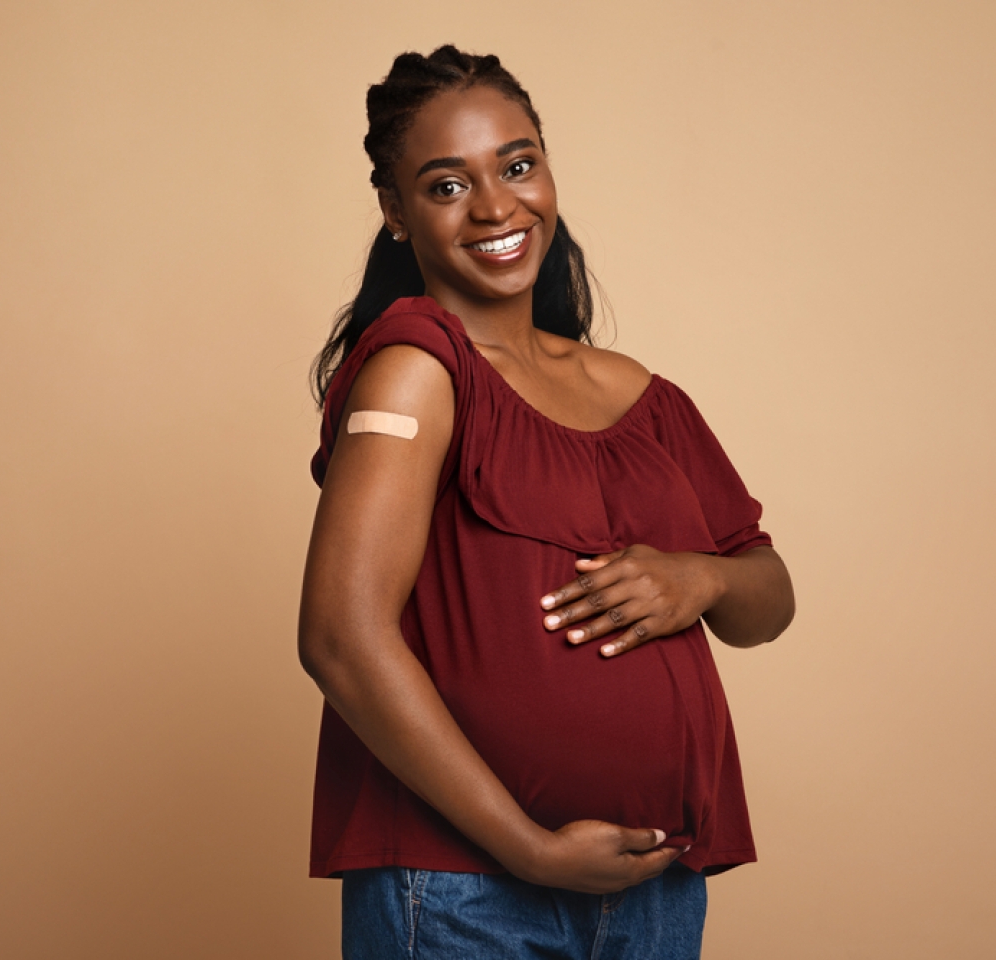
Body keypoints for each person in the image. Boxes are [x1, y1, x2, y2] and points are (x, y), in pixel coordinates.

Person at [298, 45, 795, 959]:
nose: (496, 207)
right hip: (464, 894)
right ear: (396, 212)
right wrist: (528, 848)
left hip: (652, 889)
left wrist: (701, 579)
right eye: (447, 186)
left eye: (518, 165)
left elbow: (770, 597)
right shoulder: (415, 372)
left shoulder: (641, 393)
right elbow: (340, 638)